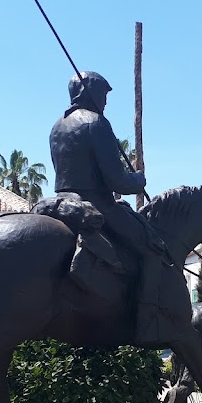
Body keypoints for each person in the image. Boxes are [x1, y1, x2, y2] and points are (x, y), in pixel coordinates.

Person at [48, 71, 173, 345]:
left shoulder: (57, 126)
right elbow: (117, 180)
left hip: (61, 202)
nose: (105, 101)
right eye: (103, 94)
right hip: (97, 204)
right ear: (90, 93)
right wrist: (138, 180)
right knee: (153, 249)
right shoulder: (97, 123)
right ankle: (144, 323)